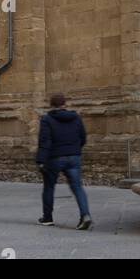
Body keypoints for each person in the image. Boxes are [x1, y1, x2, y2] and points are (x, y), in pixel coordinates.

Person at [36, 93, 92, 230]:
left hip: (54, 157)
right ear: (64, 104)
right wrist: (75, 149)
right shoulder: (76, 117)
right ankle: (85, 215)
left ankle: (47, 218)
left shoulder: (47, 119)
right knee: (77, 187)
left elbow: (44, 141)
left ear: (51, 105)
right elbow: (83, 137)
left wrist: (40, 160)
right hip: (73, 156)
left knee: (49, 187)